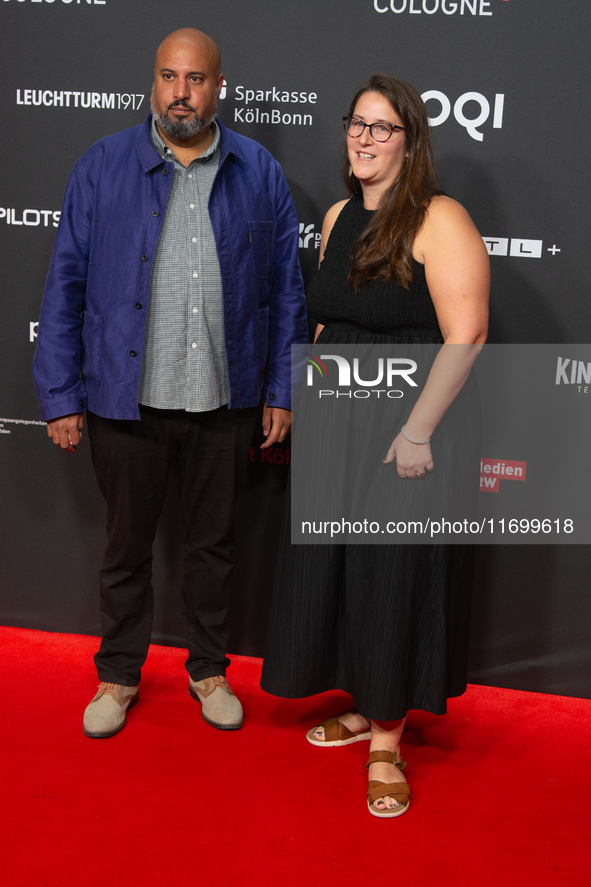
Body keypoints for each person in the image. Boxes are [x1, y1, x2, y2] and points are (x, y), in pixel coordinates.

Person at [32, 28, 308, 738]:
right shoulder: (101, 166)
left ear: (219, 87)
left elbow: (286, 294)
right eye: (168, 77)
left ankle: (208, 668)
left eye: (195, 79)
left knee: (213, 544)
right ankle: (119, 673)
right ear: (152, 83)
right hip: (127, 400)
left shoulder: (259, 172)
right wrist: (61, 394)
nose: (180, 93)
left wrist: (282, 388)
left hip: (223, 399)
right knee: (125, 547)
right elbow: (64, 286)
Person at [260, 74, 489, 817]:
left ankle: (386, 740)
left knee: (393, 575)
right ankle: (365, 704)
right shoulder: (333, 216)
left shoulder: (438, 218)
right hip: (340, 425)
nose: (362, 137)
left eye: (381, 127)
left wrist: (417, 430)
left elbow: (466, 335)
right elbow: (328, 324)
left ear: (409, 141)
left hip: (408, 427)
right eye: (356, 123)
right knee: (343, 572)